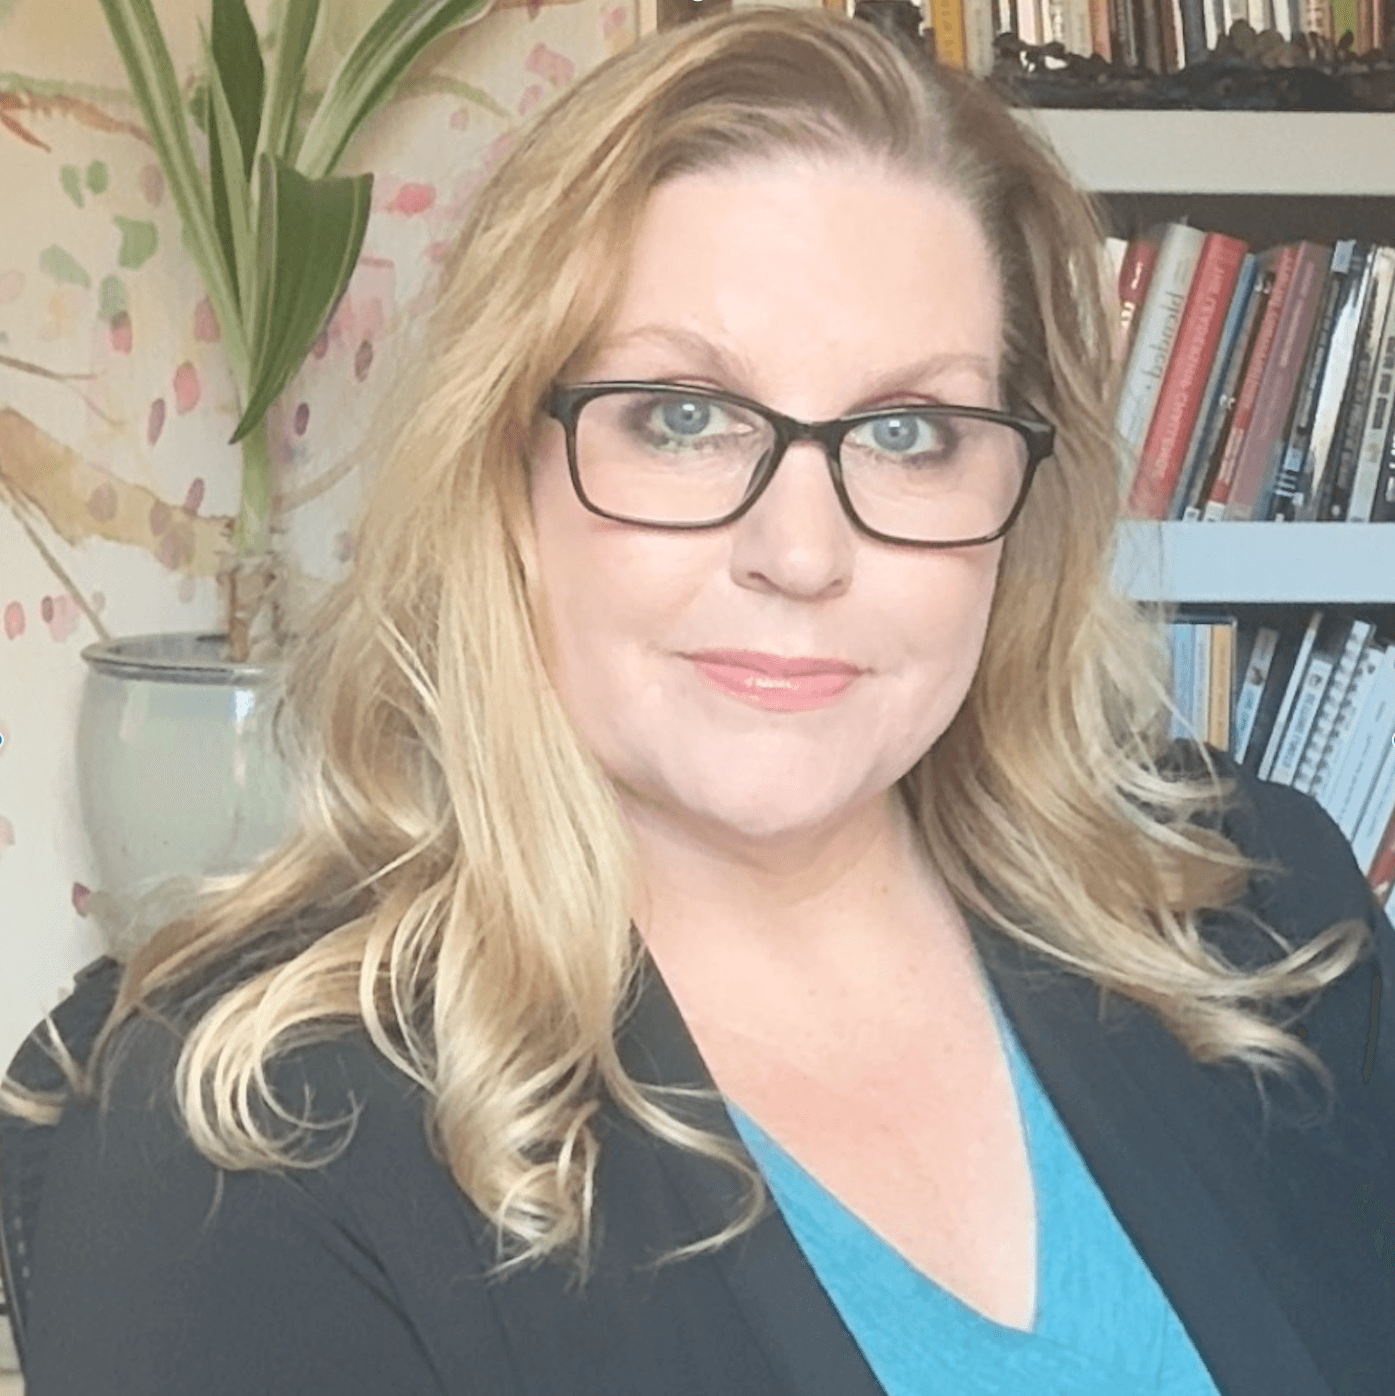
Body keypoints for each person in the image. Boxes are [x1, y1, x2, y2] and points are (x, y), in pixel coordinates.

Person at [7, 10, 1394, 1394]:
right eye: (680, 417)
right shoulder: (239, 1129)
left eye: (908, 433)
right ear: (506, 472)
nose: (799, 554)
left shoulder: (1260, 913)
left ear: (1017, 503)